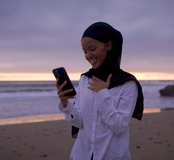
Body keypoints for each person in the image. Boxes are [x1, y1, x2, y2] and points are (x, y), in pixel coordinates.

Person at [56, 22, 144, 160]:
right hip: (81, 155)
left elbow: (119, 126)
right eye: (85, 51)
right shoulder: (85, 79)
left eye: (92, 49)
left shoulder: (128, 83)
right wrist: (66, 104)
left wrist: (103, 93)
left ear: (108, 45)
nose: (88, 55)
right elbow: (80, 123)